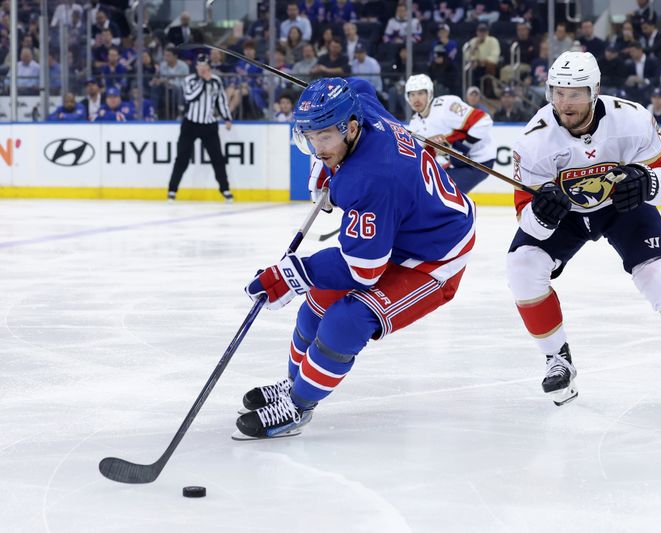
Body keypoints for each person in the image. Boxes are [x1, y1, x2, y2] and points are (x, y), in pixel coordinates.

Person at [235, 77, 476, 439]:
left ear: (350, 128)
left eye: (325, 138)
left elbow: (362, 270)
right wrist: (326, 142)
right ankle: (294, 384)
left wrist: (293, 274)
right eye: (311, 137)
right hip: (400, 228)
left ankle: (298, 406)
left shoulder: (372, 178)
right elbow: (359, 84)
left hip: (435, 254)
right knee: (317, 304)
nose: (317, 149)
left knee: (347, 320)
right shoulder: (359, 108)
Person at [506, 51, 661, 411]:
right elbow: (528, 220)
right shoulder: (533, 142)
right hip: (568, 216)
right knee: (522, 266)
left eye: (575, 93)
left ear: (595, 91)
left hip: (623, 207)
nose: (565, 103)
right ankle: (557, 359)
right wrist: (543, 213)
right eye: (557, 92)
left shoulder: (632, 119)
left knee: (659, 276)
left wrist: (647, 181)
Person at [406, 74, 497, 193]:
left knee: (446, 194)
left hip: (479, 161)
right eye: (412, 94)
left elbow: (484, 121)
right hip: (455, 164)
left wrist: (464, 146)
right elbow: (420, 157)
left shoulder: (447, 106)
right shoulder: (414, 125)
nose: (416, 99)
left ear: (430, 94)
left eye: (420, 93)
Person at [167, 54, 234, 202]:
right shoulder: (189, 80)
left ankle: (225, 189)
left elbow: (221, 101)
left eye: (204, 66)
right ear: (196, 67)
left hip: (209, 125)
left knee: (218, 159)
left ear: (209, 67)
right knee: (182, 158)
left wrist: (227, 117)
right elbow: (190, 97)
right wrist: (203, 82)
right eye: (199, 66)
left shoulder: (216, 81)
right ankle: (172, 190)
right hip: (190, 124)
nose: (202, 69)